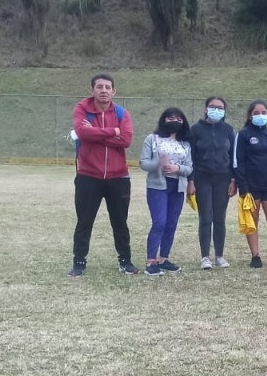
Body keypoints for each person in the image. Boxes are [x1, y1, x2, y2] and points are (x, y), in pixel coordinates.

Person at [70, 74, 136, 277]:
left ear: (114, 91)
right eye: (99, 87)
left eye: (108, 87)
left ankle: (125, 261)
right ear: (92, 91)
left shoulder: (122, 112)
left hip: (118, 177)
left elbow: (126, 140)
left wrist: (98, 134)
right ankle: (79, 263)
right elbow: (83, 134)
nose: (104, 90)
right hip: (89, 175)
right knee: (84, 221)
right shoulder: (82, 109)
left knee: (120, 222)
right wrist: (112, 131)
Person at [139, 108, 194, 276]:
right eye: (170, 118)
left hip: (177, 187)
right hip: (157, 187)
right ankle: (151, 261)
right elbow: (143, 163)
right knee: (159, 222)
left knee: (171, 224)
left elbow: (190, 167)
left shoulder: (185, 143)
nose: (175, 121)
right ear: (164, 120)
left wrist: (177, 168)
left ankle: (163, 259)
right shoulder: (153, 139)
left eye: (178, 118)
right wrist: (159, 164)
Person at [233, 100, 267, 268]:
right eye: (256, 113)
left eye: (263, 112)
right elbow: (237, 161)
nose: (260, 115)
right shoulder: (243, 135)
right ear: (250, 115)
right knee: (253, 221)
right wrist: (243, 186)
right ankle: (255, 256)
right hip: (250, 187)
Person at [187, 96, 237, 270]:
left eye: (220, 107)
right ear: (205, 109)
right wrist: (191, 180)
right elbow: (190, 157)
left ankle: (219, 256)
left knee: (219, 218)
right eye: (212, 106)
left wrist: (233, 179)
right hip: (202, 178)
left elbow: (233, 157)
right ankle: (205, 257)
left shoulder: (229, 130)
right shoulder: (195, 130)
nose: (216, 110)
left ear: (224, 111)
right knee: (206, 218)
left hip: (223, 178)